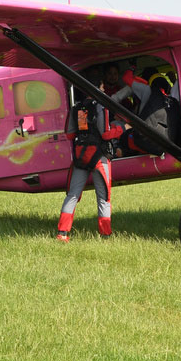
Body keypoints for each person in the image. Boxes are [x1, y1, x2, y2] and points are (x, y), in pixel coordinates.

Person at [56, 71, 125, 241]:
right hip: (99, 158)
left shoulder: (78, 108)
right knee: (103, 198)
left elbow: (70, 134)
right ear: (97, 87)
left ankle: (62, 233)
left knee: (73, 195)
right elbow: (106, 134)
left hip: (81, 157)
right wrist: (122, 128)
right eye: (102, 86)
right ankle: (105, 235)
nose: (104, 90)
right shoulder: (101, 106)